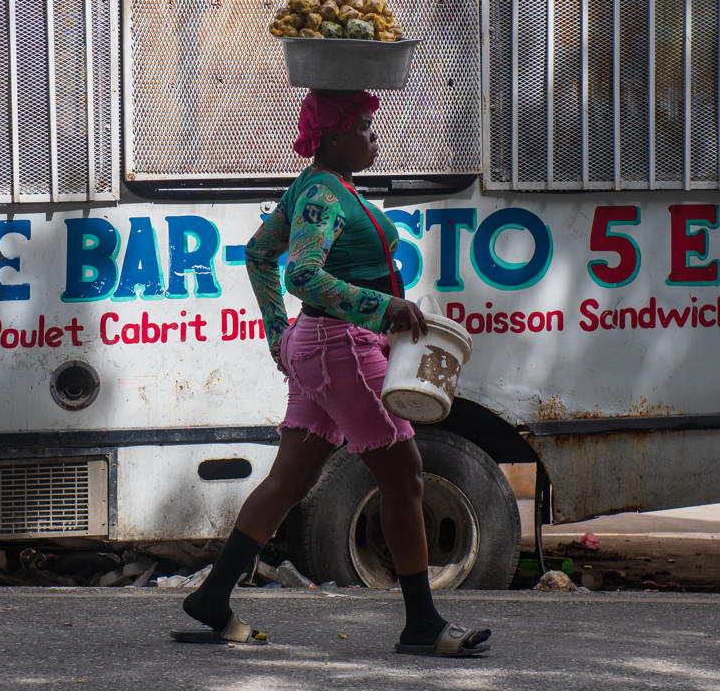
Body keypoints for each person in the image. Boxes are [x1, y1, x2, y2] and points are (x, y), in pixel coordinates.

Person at [171, 88, 492, 658]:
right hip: (341, 345)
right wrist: (380, 306)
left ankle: (214, 596)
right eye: (366, 128)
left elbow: (256, 253)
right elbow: (301, 275)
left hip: (317, 346)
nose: (375, 137)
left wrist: (278, 334)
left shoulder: (317, 189)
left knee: (289, 480)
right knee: (406, 475)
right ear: (334, 137)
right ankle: (421, 622)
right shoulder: (322, 193)